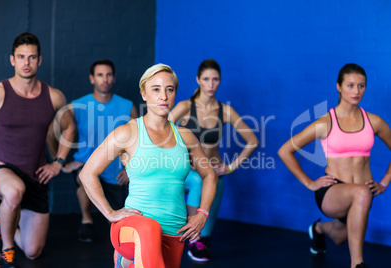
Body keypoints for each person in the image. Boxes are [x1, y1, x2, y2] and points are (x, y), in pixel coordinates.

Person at [79, 63, 217, 268]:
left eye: (169, 90)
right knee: (149, 228)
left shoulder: (185, 136)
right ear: (144, 93)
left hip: (174, 231)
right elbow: (87, 173)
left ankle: (128, 264)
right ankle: (126, 256)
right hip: (133, 228)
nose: (164, 96)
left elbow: (209, 175)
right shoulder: (127, 133)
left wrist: (202, 214)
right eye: (156, 89)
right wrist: (110, 212)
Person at [277, 63, 391, 268]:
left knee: (340, 237)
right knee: (362, 193)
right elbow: (285, 151)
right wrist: (310, 183)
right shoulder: (325, 123)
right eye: (350, 85)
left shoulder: (374, 122)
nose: (356, 91)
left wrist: (384, 182)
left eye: (361, 86)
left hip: (360, 199)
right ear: (338, 86)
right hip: (332, 192)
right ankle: (357, 264)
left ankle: (319, 229)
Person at [0, 32, 76, 267]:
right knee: (14, 191)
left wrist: (58, 163)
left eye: (31, 57)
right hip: (4, 172)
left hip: (37, 177)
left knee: (33, 251)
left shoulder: (54, 96)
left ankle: (3, 226)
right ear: (11, 60)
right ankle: (6, 251)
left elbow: (69, 128)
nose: (26, 63)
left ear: (40, 60)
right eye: (21, 57)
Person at [169, 59, 259, 262]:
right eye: (206, 79)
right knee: (190, 232)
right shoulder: (185, 107)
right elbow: (161, 134)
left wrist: (231, 168)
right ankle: (191, 238)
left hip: (213, 176)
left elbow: (252, 141)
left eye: (215, 79)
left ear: (220, 81)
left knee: (204, 236)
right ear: (198, 80)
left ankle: (197, 239)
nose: (211, 84)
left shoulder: (225, 111)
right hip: (185, 173)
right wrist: (182, 159)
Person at [61, 59, 138, 243]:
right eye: (100, 75)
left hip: (115, 172)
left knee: (121, 227)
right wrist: (60, 162)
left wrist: (130, 169)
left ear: (114, 78)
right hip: (86, 165)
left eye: (108, 75)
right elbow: (52, 131)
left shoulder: (127, 107)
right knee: (83, 180)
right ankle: (86, 220)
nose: (105, 79)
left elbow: (138, 141)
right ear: (92, 78)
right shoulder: (77, 106)